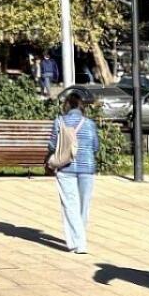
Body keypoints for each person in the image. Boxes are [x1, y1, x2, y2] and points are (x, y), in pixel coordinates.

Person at [48, 93, 100, 254]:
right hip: (87, 168)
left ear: (67, 105)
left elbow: (52, 145)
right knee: (84, 205)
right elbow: (96, 146)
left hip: (66, 167)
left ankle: (77, 242)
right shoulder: (89, 123)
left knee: (70, 205)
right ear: (81, 106)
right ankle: (79, 239)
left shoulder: (59, 121)